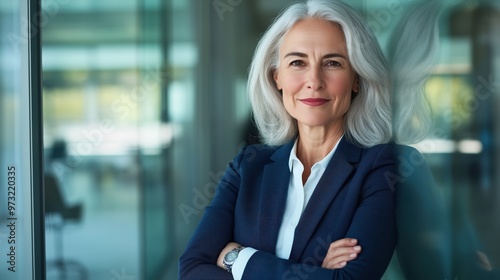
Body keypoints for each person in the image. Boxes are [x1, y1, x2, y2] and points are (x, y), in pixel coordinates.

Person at [179, 0, 415, 279]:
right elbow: (192, 268)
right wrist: (315, 272)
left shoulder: (381, 166)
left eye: (332, 62)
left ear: (356, 79)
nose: (314, 80)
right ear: (276, 77)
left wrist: (239, 258)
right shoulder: (248, 165)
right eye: (297, 62)